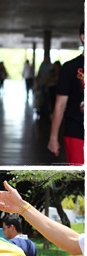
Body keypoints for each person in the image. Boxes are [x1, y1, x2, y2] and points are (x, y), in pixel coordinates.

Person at [0, 180, 86, 256]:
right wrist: (22, 207)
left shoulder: (9, 245)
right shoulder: (30, 244)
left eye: (4, 228)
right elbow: (75, 244)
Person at [48, 22, 84, 165]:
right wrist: (53, 137)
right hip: (76, 132)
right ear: (83, 37)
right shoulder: (70, 68)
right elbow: (60, 105)